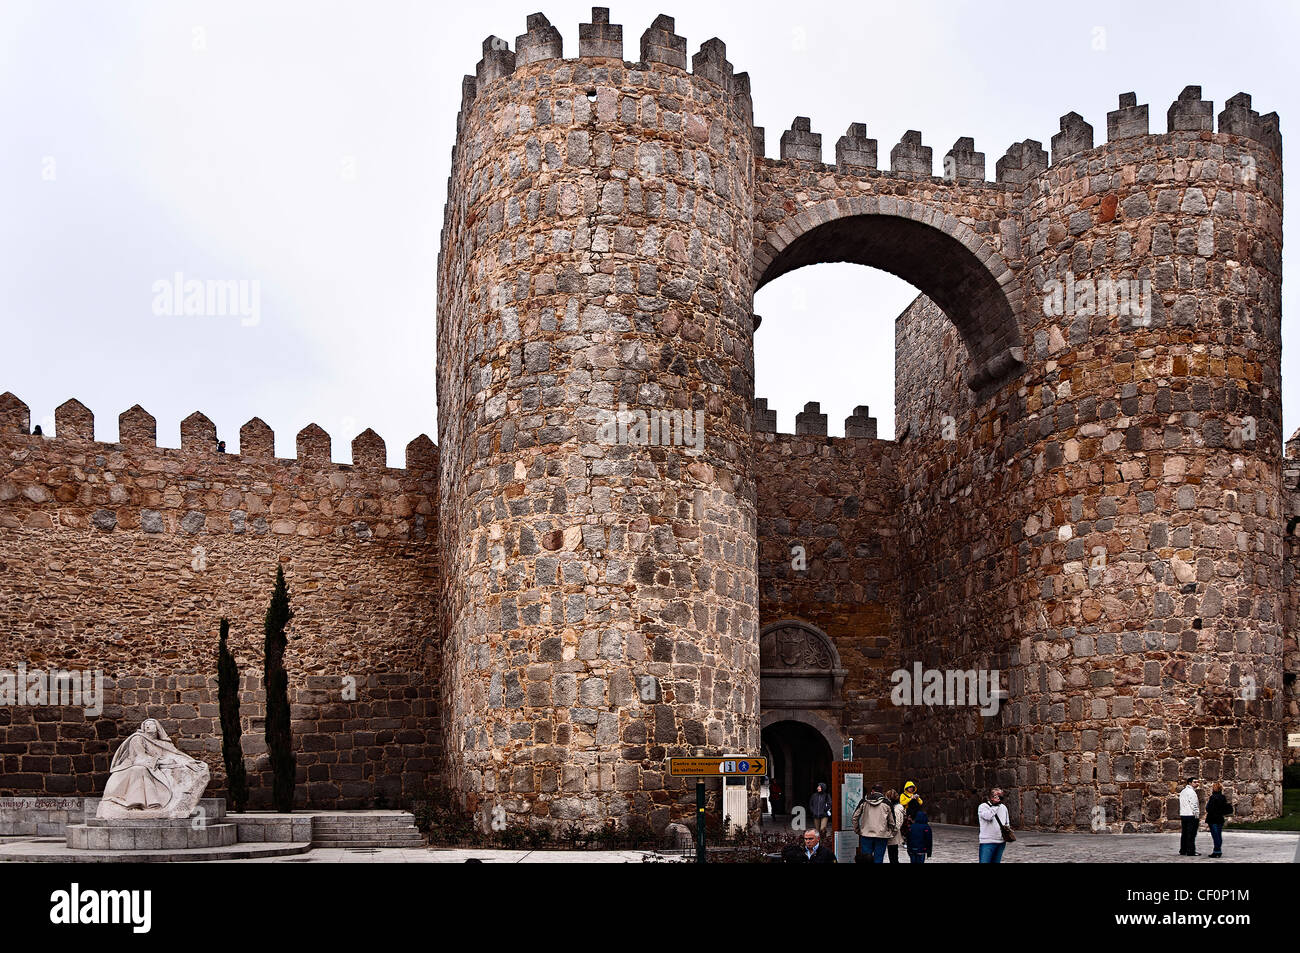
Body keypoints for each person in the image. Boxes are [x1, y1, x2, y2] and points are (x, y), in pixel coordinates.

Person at [851, 784, 896, 863]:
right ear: (882, 792)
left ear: (872, 791)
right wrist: (889, 832)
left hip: (866, 834)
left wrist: (858, 830)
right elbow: (892, 822)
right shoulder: (887, 803)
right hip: (881, 835)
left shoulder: (864, 802)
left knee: (865, 860)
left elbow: (855, 817)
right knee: (878, 859)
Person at [977, 787, 1011, 863]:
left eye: (1001, 795)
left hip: (1000, 842)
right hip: (987, 842)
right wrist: (995, 806)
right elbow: (988, 817)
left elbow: (1007, 822)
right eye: (997, 795)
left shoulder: (1003, 807)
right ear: (991, 797)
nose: (1000, 797)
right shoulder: (983, 807)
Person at [1205, 782, 1231, 859]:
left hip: (1213, 819)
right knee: (1218, 835)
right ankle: (1218, 850)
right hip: (1220, 818)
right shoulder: (1223, 797)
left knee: (1215, 835)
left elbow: (1208, 808)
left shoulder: (1213, 797)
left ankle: (1217, 851)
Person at [1178, 778, 1201, 856]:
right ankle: (1191, 851)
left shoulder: (1183, 792)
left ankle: (1183, 850)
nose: (1197, 783)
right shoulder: (1192, 792)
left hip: (1184, 814)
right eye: (1194, 782)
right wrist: (1197, 815)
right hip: (1191, 815)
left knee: (1184, 833)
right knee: (1191, 834)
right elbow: (1193, 804)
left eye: (1197, 782)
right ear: (1189, 783)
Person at [885, 788, 907, 863]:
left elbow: (897, 824)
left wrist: (891, 834)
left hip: (893, 835)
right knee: (893, 854)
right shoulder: (895, 807)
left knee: (893, 855)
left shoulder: (896, 809)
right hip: (893, 834)